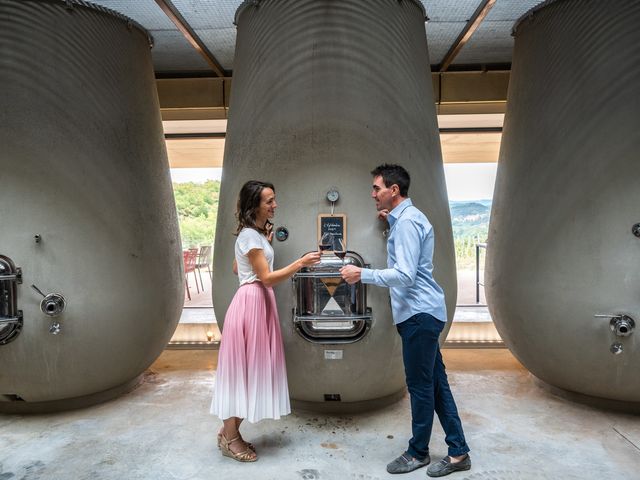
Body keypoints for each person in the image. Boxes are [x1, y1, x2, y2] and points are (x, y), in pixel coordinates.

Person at [340, 164, 470, 477]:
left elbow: (405, 274)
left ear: (394, 190)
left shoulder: (409, 222)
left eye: (377, 188)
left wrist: (362, 274)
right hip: (421, 314)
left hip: (419, 315)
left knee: (421, 387)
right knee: (436, 385)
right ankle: (458, 452)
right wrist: (390, 221)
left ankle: (417, 452)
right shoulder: (404, 220)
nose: (372, 194)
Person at [211, 180, 321, 462]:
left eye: (274, 199)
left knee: (249, 372)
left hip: (257, 303)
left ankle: (229, 433)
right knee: (244, 374)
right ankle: (230, 438)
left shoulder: (254, 237)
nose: (275, 205)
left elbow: (238, 266)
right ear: (254, 205)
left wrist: (263, 247)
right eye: (269, 201)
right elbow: (267, 278)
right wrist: (301, 262)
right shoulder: (250, 236)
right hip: (252, 303)